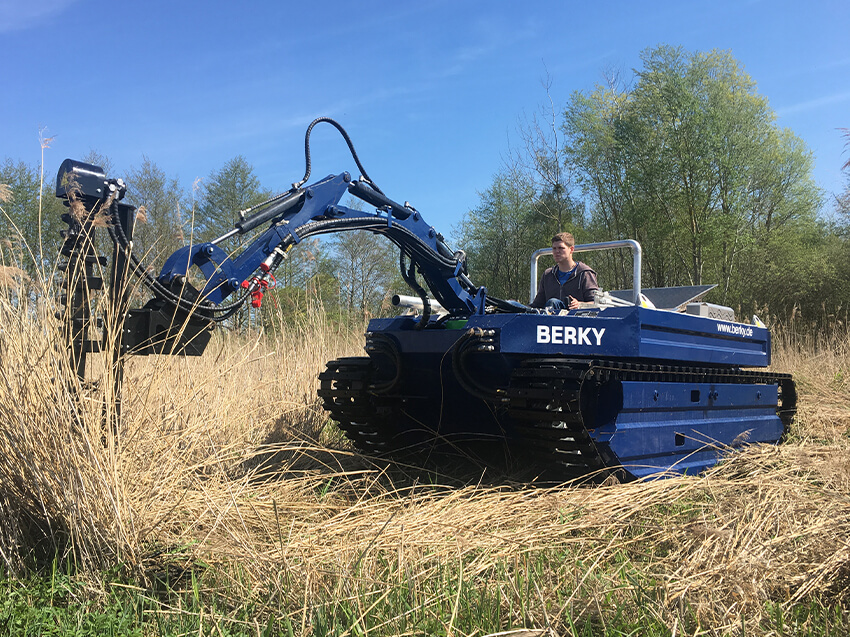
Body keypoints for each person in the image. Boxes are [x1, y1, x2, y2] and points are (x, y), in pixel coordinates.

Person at [531, 232, 599, 310]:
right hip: (550, 319)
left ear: (571, 249)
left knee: (553, 302)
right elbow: (537, 304)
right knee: (514, 305)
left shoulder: (585, 273)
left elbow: (595, 303)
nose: (557, 252)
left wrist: (580, 305)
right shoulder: (548, 275)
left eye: (561, 248)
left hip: (575, 319)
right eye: (554, 248)